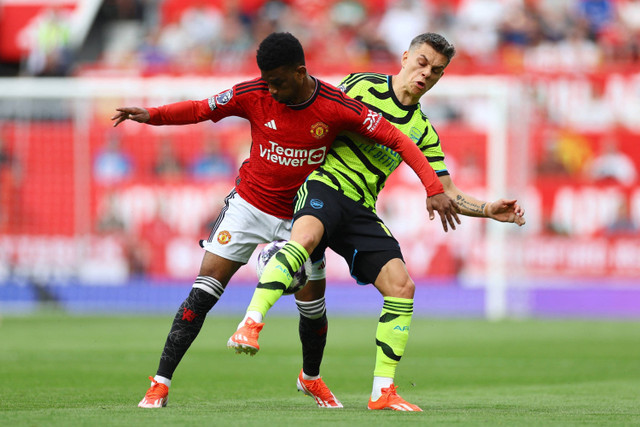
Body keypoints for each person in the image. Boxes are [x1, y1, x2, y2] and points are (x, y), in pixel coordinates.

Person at [110, 32, 459, 409]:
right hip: (248, 207)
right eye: (267, 81)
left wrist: (432, 187)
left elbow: (399, 140)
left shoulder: (335, 105)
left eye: (277, 81)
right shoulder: (253, 93)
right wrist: (153, 116)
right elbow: (201, 109)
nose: (271, 89)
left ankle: (310, 378)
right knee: (203, 292)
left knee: (313, 310)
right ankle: (159, 384)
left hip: (303, 212)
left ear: (299, 72)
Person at [228, 32, 526, 411]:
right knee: (302, 245)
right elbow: (313, 112)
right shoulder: (361, 86)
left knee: (402, 286)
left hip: (360, 208)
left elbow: (445, 190)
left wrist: (487, 209)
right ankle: (251, 323)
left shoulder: (422, 131)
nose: (426, 73)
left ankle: (382, 390)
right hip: (324, 184)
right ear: (404, 57)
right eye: (422, 62)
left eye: (436, 70)